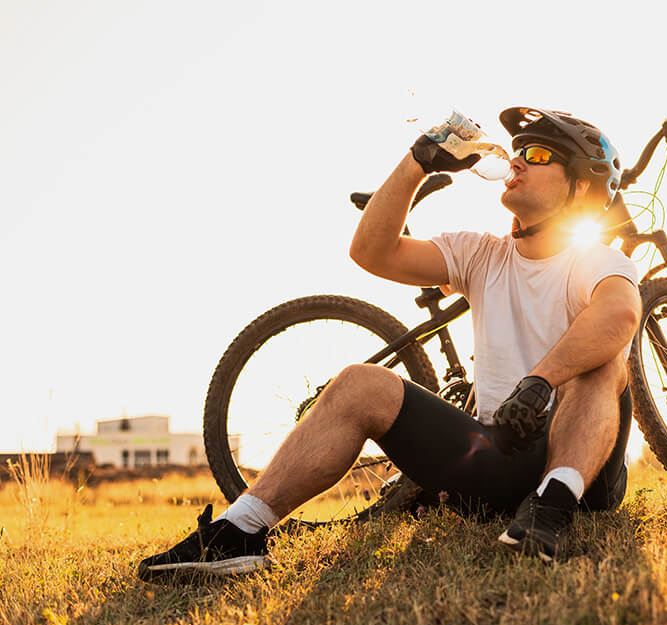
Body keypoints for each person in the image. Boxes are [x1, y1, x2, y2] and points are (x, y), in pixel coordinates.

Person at [137, 107, 641, 580]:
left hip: (583, 475)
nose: (517, 161)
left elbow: (618, 314)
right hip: (498, 463)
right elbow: (371, 252)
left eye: (536, 155)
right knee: (361, 382)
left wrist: (539, 381)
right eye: (517, 151)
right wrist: (417, 162)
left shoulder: (594, 260)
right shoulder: (481, 254)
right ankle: (239, 530)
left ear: (580, 188)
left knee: (605, 364)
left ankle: (552, 503)